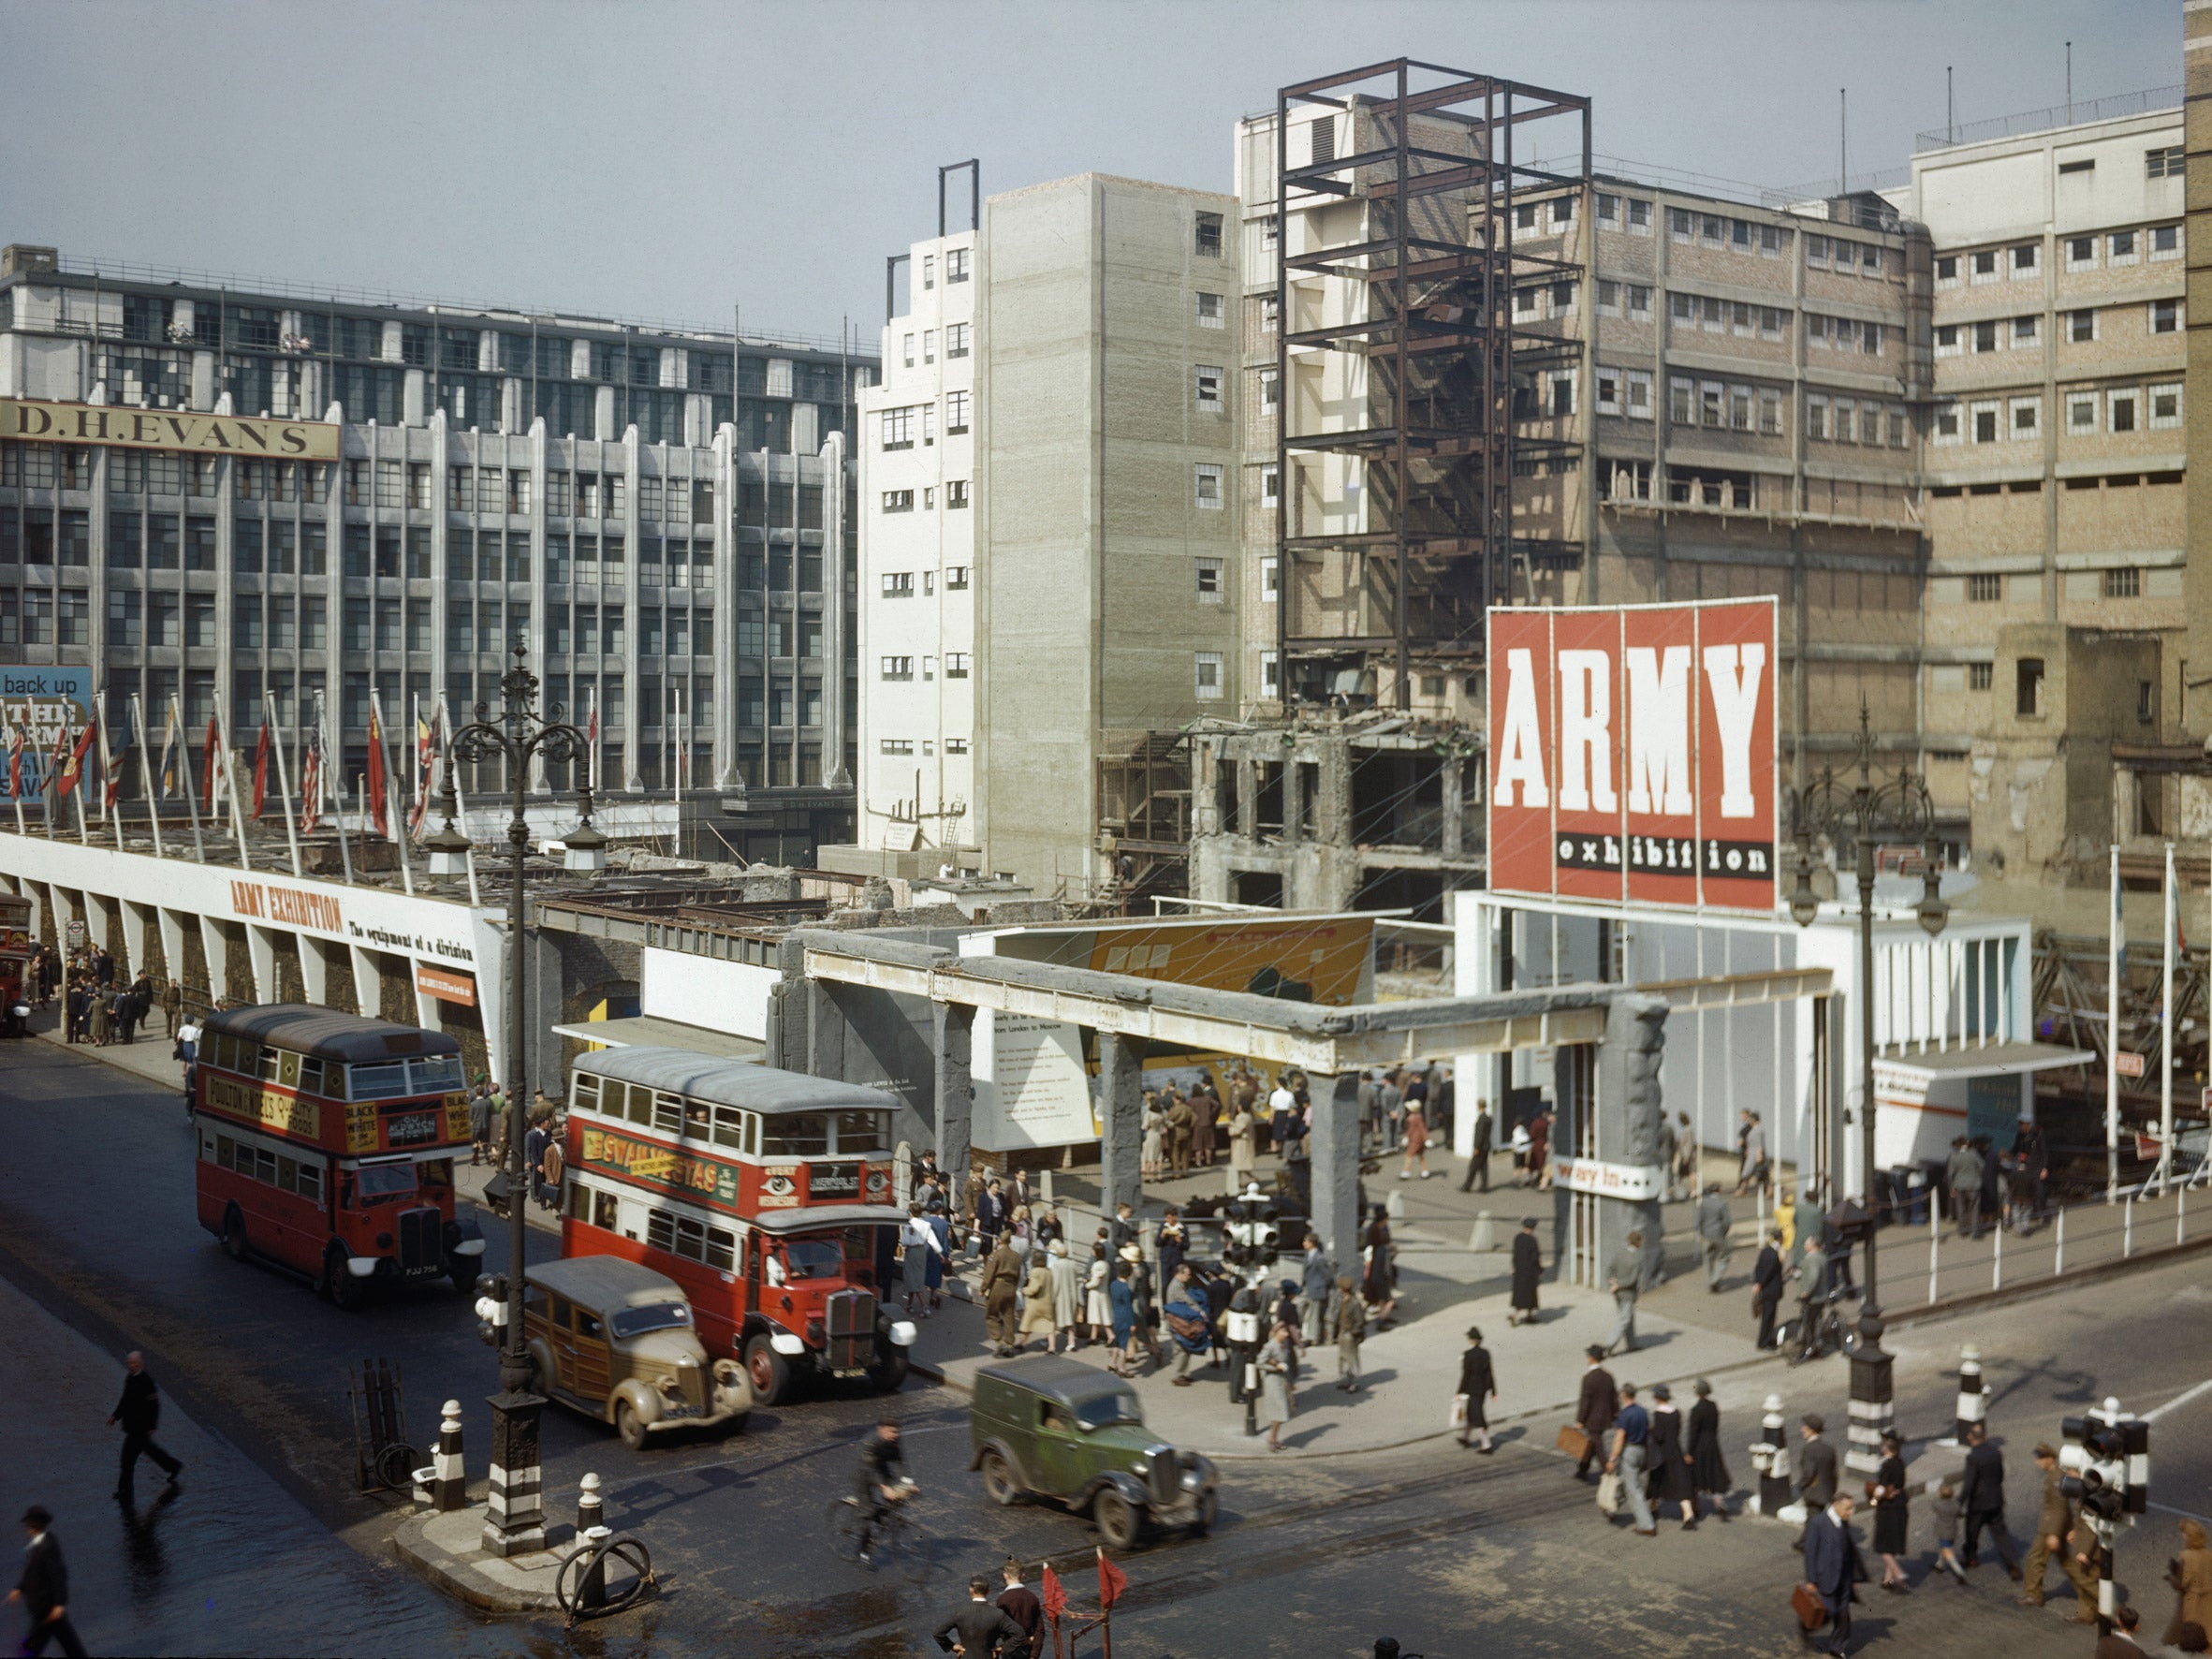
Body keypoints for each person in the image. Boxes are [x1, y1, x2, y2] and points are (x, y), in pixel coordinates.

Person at [2023, 1442, 2098, 1621]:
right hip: (2054, 1527)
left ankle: (2034, 1594)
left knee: (2036, 1558)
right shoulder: (2052, 1475)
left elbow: (2059, 1507)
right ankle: (2092, 1602)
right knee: (2070, 1566)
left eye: (2041, 1459)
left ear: (2050, 1458)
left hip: (2051, 1528)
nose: (2038, 1463)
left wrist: (2054, 1534)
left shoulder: (2057, 1477)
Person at [7, 1507, 86, 1659]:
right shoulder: (41, 1544)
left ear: (33, 1527)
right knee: (68, 1642)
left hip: (46, 1605)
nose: (26, 1529)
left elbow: (58, 1575)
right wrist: (19, 1588)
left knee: (33, 1645)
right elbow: (31, 1572)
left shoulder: (47, 1547)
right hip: (45, 1606)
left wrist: (59, 1604)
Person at [108, 1352, 183, 1502]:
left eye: (134, 1363)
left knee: (127, 1460)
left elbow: (154, 1405)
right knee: (152, 1451)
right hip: (134, 1427)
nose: (131, 1366)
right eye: (129, 1363)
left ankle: (125, 1492)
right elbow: (125, 1400)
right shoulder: (130, 1378)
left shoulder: (146, 1380)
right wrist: (115, 1416)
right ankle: (173, 1466)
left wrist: (152, 1425)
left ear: (140, 1363)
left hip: (139, 1429)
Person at [1957, 1421, 2023, 1580]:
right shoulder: (1996, 1452)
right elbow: (2000, 1475)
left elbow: (1969, 1483)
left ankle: (1971, 1558)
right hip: (1995, 1501)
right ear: (1985, 1436)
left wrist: (1959, 1502)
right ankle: (2013, 1564)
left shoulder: (1973, 1457)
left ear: (1970, 1437)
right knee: (2000, 1534)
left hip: (1978, 1504)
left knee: (1972, 1533)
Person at [1801, 1490, 1864, 1654]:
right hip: (1825, 1579)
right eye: (1847, 1509)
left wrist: (1854, 1577)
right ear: (1836, 1505)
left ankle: (1837, 1648)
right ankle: (1806, 1627)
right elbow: (1810, 1552)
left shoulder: (1843, 1522)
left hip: (1844, 1579)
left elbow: (1848, 1549)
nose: (1850, 1513)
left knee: (1843, 1617)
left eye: (1851, 1509)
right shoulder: (1818, 1523)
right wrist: (1811, 1580)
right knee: (1827, 1614)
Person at [855, 1419, 913, 1565]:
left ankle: (879, 1516)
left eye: (896, 1431)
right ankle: (863, 1552)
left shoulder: (894, 1441)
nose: (895, 1435)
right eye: (891, 1431)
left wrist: (908, 1483)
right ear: (881, 1430)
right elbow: (870, 1468)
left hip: (881, 1470)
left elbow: (900, 1461)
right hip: (864, 1474)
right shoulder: (869, 1442)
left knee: (897, 1498)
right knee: (866, 1513)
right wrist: (885, 1487)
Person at [933, 1574, 1026, 1657]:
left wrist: (952, 1646)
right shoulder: (998, 1614)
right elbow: (1019, 1634)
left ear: (971, 1590)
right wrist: (1003, 1648)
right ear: (988, 1591)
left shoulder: (960, 1612)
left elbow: (938, 1633)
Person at [1607, 1382, 1657, 1535]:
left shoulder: (1625, 1415)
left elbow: (1619, 1438)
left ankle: (1647, 1525)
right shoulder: (1642, 1411)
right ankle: (1610, 1507)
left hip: (1629, 1451)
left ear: (1623, 1395)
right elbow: (1649, 1430)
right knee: (1624, 1479)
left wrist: (1612, 1458)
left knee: (1634, 1488)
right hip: (1642, 1450)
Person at [1644, 1384, 1695, 1529]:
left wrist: (1651, 1431)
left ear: (1657, 1398)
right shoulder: (1676, 1412)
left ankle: (1653, 1507)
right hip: (1676, 1450)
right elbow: (1676, 1431)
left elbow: (1659, 1436)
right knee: (1680, 1482)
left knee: (1656, 1480)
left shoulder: (1658, 1414)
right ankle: (1688, 1514)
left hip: (1662, 1453)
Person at [1685, 1378, 1730, 1522]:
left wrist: (1689, 1452)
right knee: (1714, 1474)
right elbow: (1715, 1425)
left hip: (1699, 1446)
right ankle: (1719, 1504)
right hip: (1712, 1443)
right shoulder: (1713, 1406)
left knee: (1697, 1476)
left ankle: (1696, 1508)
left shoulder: (1696, 1410)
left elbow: (1693, 1433)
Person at [1870, 1430, 1910, 1591]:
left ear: (1887, 1447)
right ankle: (1888, 1579)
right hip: (1900, 1505)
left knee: (1882, 1546)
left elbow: (1881, 1489)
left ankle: (1898, 1573)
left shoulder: (1886, 1465)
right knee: (1892, 1544)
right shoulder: (1900, 1462)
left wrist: (1874, 1499)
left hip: (1888, 1509)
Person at [1574, 1345, 1618, 1483]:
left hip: (1592, 1420)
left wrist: (1580, 1420)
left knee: (1597, 1446)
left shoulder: (1588, 1378)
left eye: (1588, 1356)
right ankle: (1582, 1469)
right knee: (1592, 1444)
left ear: (1592, 1358)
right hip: (1605, 1418)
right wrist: (1616, 1414)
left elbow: (1585, 1401)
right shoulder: (1608, 1377)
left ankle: (1607, 1471)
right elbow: (1613, 1398)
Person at [1163, 1264, 1211, 1385]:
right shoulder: (1176, 1287)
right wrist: (1200, 1311)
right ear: (1180, 1274)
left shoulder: (1177, 1284)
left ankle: (1182, 1374)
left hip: (1177, 1321)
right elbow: (1188, 1300)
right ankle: (1178, 1376)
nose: (1189, 1277)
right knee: (1181, 1349)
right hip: (1177, 1322)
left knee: (1183, 1348)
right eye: (1188, 1274)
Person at [2167, 1519, 2212, 1646]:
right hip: (2208, 1598)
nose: (2182, 1536)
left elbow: (2182, 1584)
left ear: (2189, 1537)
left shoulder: (2185, 1556)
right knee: (2207, 1630)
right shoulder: (2208, 1554)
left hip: (2192, 1599)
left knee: (2190, 1632)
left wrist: (2171, 1576)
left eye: (2184, 1534)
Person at [1454, 1328, 1498, 1453]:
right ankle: (1465, 1437)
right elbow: (1490, 1372)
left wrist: (1459, 1391)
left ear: (1471, 1340)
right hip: (1482, 1389)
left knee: (1477, 1416)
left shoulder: (1468, 1355)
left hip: (1472, 1390)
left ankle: (1486, 1444)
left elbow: (1466, 1375)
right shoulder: (1485, 1353)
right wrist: (1494, 1391)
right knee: (1471, 1413)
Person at [1604, 1230, 1647, 1357]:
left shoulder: (1620, 1254)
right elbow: (1632, 1280)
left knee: (1628, 1318)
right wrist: (1619, 1285)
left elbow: (1609, 1269)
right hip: (1627, 1293)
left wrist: (1612, 1282)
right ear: (1638, 1242)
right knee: (1625, 1319)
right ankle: (1608, 1345)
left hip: (1617, 1294)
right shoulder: (1636, 1259)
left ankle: (1632, 1344)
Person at [982, 1234, 1023, 1358]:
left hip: (998, 1286)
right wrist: (1014, 1288)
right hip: (1011, 1287)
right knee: (1009, 1316)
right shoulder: (1016, 1256)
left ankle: (1000, 1342)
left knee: (991, 1315)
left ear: (999, 1240)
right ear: (1010, 1241)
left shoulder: (996, 1254)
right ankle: (1010, 1344)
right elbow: (1018, 1275)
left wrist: (983, 1288)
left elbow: (989, 1273)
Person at [1258, 1320, 1296, 1452]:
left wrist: (1291, 1382)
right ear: (1276, 1332)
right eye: (1283, 1331)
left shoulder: (1284, 1345)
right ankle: (1272, 1439)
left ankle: (1274, 1438)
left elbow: (1287, 1364)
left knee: (1280, 1412)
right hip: (1272, 1382)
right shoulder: (1270, 1346)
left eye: (1286, 1332)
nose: (1286, 1334)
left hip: (1282, 1381)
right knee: (1280, 1412)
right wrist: (1275, 1367)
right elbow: (1260, 1363)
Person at [900, 1204, 943, 1319]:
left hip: (911, 1252)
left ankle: (925, 1307)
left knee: (912, 1278)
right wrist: (940, 1253)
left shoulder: (908, 1224)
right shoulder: (926, 1224)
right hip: (921, 1252)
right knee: (917, 1277)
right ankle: (909, 1304)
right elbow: (933, 1240)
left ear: (911, 1212)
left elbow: (904, 1241)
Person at [996, 1559, 1043, 1659]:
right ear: (1023, 1575)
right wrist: (1034, 1655)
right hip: (1028, 1650)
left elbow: (999, 1629)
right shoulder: (1032, 1598)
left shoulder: (1002, 1600)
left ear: (1005, 1575)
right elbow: (1040, 1629)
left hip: (1009, 1651)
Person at [1795, 1414, 1838, 1521]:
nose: (1802, 1429)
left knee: (1812, 1522)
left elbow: (1808, 1474)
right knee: (1815, 1521)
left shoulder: (1809, 1449)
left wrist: (1801, 1486)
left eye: (1805, 1427)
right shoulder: (1829, 1449)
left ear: (1811, 1430)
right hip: (1826, 1493)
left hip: (1813, 1494)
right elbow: (1834, 1474)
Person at [1360, 1205, 1397, 1329]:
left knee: (1377, 1299)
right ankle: (1381, 1320)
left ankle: (1382, 1316)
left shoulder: (1375, 1249)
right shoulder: (1383, 1251)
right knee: (1388, 1301)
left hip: (1373, 1276)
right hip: (1381, 1278)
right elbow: (1386, 1268)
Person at [1926, 1477, 1968, 1585]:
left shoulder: (1938, 1504)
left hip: (1943, 1532)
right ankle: (1939, 1565)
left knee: (1948, 1553)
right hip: (1952, 1531)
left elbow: (1933, 1506)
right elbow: (1961, 1514)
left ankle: (1960, 1573)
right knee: (1944, 1548)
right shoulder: (1956, 1505)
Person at [1046, 1238, 1083, 1354]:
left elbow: (1055, 1284)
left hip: (1059, 1297)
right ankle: (1071, 1343)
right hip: (1071, 1296)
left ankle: (1052, 1347)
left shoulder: (1056, 1265)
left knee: (1051, 1321)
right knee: (1070, 1321)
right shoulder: (1073, 1264)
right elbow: (1078, 1280)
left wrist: (1050, 1298)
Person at [1329, 1274, 1364, 1393]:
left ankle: (1354, 1382)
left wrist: (1353, 1334)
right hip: (1342, 1332)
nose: (1338, 1290)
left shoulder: (1354, 1303)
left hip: (1350, 1334)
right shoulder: (1342, 1300)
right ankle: (1345, 1380)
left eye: (1340, 1288)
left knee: (1352, 1359)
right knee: (1342, 1357)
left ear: (1343, 1289)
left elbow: (1360, 1321)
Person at [1751, 1229, 1785, 1350]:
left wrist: (1757, 1282)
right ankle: (1764, 1342)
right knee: (1769, 1317)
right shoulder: (1775, 1254)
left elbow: (1758, 1268)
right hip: (1771, 1290)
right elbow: (1769, 1271)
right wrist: (1760, 1283)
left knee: (1767, 1316)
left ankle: (1767, 1338)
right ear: (1780, 1239)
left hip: (1766, 1290)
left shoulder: (1765, 1251)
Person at [1695, 1183, 1733, 1292]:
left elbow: (1699, 1220)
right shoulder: (1722, 1203)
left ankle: (1710, 1279)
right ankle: (1715, 1279)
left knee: (1708, 1258)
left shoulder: (1703, 1203)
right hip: (1718, 1235)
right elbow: (1727, 1222)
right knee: (1723, 1257)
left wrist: (1701, 1233)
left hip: (1706, 1235)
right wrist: (1723, 1233)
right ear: (1719, 1190)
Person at [1297, 1234, 1334, 1346]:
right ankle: (1303, 1333)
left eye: (1306, 1241)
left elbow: (1327, 1275)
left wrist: (1320, 1285)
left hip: (1316, 1289)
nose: (1304, 1244)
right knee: (1300, 1307)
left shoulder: (1319, 1258)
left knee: (1314, 1315)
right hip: (1307, 1289)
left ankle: (1312, 1337)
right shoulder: (1308, 1256)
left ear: (1312, 1243)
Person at [1947, 1137, 1985, 1240]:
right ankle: (1975, 1231)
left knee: (1960, 1208)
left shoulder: (1954, 1156)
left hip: (1958, 1185)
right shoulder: (1973, 1154)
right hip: (1973, 1184)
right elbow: (1982, 1166)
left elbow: (1950, 1174)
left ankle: (1962, 1230)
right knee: (1974, 1208)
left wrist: (1951, 1187)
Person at [1017, 1254, 1054, 1355]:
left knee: (1027, 1323)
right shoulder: (1049, 1272)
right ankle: (1051, 1347)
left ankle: (1022, 1344)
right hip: (1047, 1302)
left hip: (1035, 1303)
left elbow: (1034, 1288)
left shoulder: (1035, 1272)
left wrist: (1025, 1290)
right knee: (1049, 1325)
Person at [1508, 1216, 1542, 1327]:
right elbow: (1535, 1257)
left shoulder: (1518, 1237)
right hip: (1530, 1272)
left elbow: (1515, 1254)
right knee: (1530, 1294)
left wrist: (1514, 1267)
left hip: (1519, 1271)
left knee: (1520, 1294)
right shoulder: (1532, 1240)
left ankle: (1525, 1315)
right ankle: (1520, 1315)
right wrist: (1539, 1269)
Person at [1460, 1098, 1494, 1194]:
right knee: (1483, 1166)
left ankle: (1467, 1186)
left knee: (1473, 1166)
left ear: (1479, 1106)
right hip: (1486, 1146)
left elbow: (1479, 1135)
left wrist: (1476, 1147)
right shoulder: (1488, 1118)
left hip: (1481, 1147)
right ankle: (1484, 1186)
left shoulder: (1481, 1119)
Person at [1736, 1109, 1768, 1196]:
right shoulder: (1753, 1129)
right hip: (1752, 1153)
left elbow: (1759, 1144)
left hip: (1756, 1154)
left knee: (1749, 1172)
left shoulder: (1758, 1129)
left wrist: (1759, 1154)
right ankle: (1743, 1189)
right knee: (1750, 1172)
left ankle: (1742, 1189)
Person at [1399, 1100, 1432, 1181]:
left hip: (1415, 1140)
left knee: (1409, 1155)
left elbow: (1422, 1128)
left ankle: (1406, 1172)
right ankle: (1425, 1171)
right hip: (1417, 1139)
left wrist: (1427, 1138)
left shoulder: (1416, 1117)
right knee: (1420, 1155)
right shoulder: (1416, 1116)